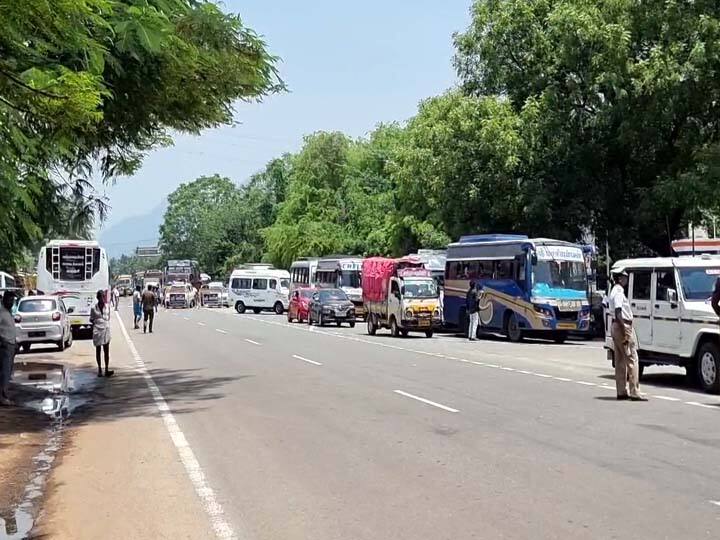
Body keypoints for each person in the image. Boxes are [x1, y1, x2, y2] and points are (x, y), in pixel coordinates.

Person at [609, 271, 647, 401]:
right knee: (632, 358)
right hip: (622, 326)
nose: (626, 280)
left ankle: (621, 391)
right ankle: (635, 391)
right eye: (625, 277)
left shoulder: (614, 291)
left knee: (620, 360)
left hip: (616, 326)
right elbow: (618, 311)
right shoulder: (619, 292)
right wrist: (625, 331)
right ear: (620, 278)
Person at [90, 290, 113, 378]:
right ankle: (100, 369)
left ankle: (106, 369)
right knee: (98, 350)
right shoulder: (93, 308)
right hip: (97, 330)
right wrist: (97, 323)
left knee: (106, 350)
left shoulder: (107, 307)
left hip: (106, 329)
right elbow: (91, 319)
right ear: (98, 298)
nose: (103, 298)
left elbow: (108, 317)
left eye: (104, 296)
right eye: (101, 297)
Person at [0, 291, 17, 405]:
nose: (11, 302)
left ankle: (4, 394)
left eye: (12, 300)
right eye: (9, 300)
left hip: (11, 345)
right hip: (4, 345)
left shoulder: (8, 311)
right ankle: (3, 397)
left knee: (8, 372)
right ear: (4, 299)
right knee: (4, 372)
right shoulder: (1, 312)